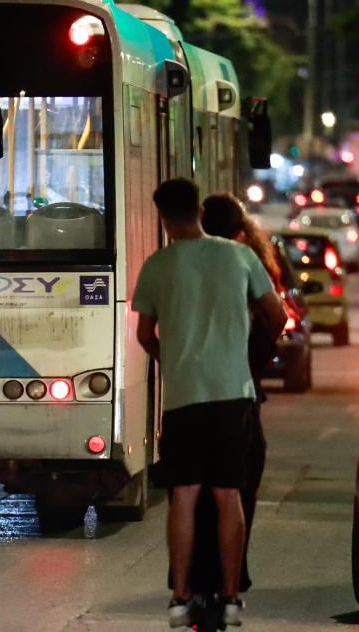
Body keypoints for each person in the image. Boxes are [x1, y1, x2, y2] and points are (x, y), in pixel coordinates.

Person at [133, 178, 287, 628]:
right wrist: (243, 351)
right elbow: (277, 316)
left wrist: (173, 359)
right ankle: (232, 596)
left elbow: (145, 334)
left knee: (184, 494)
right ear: (199, 210)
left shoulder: (157, 266)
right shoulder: (238, 256)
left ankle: (180, 596)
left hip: (183, 398)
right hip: (232, 395)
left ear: (163, 218)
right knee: (228, 494)